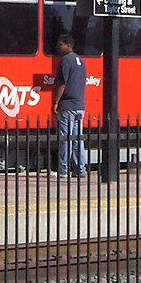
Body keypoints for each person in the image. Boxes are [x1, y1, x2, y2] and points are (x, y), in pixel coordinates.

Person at [52, 34, 88, 178]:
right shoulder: (81, 61)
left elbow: (62, 83)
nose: (58, 47)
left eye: (60, 45)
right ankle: (80, 169)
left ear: (67, 45)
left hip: (67, 105)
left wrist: (55, 101)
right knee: (77, 138)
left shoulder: (65, 61)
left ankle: (63, 170)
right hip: (80, 105)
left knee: (65, 138)